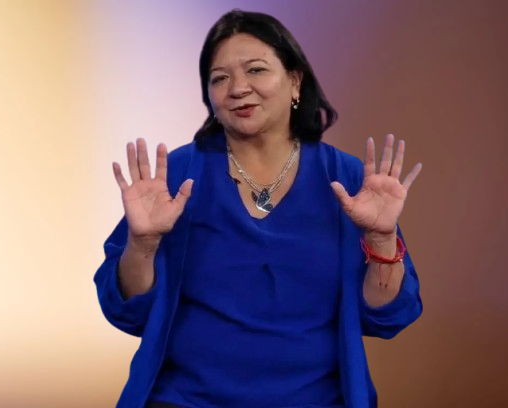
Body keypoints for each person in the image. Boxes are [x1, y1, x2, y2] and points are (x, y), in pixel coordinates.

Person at [94, 9, 423, 408]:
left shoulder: (347, 179)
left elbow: (387, 317)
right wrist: (143, 244)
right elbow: (127, 312)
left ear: (295, 80)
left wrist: (381, 239)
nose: (238, 88)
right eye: (219, 78)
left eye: (256, 70)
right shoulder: (177, 176)